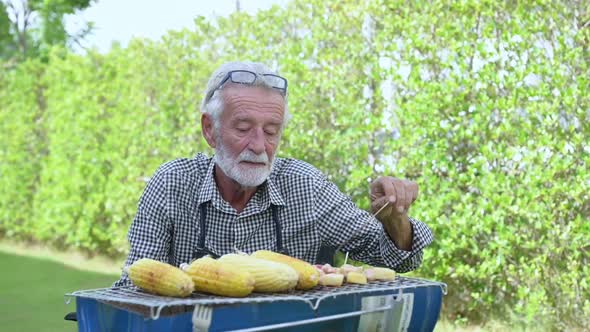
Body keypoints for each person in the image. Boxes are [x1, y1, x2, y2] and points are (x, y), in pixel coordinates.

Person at [114, 61, 433, 286]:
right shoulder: (172, 184)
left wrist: (394, 217)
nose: (259, 146)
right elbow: (136, 285)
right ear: (209, 130)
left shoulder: (305, 187)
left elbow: (397, 260)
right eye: (243, 128)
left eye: (271, 131)